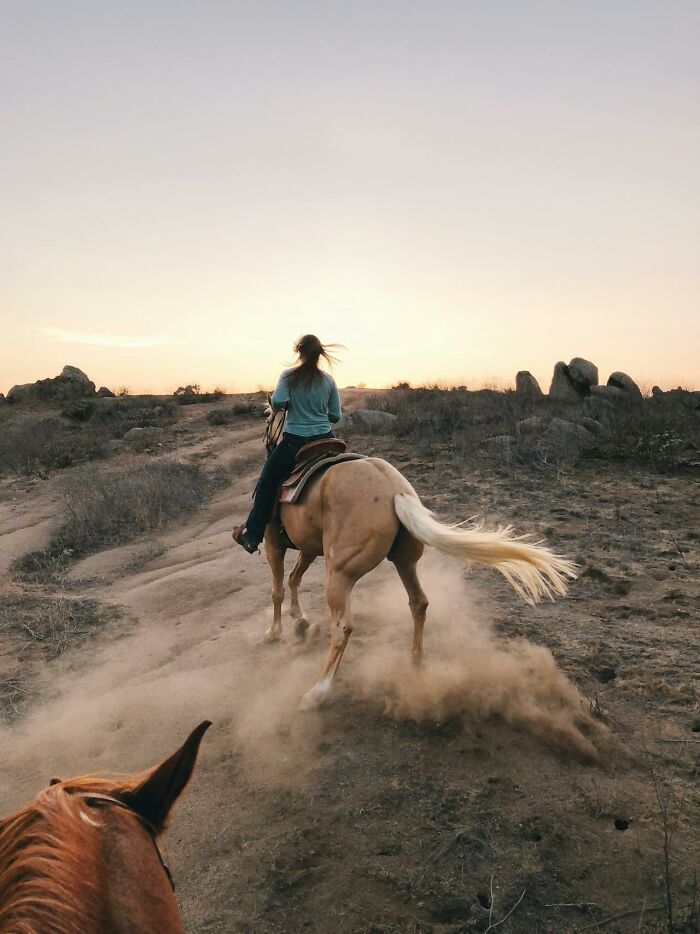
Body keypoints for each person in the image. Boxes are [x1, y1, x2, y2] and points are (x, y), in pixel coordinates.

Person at [232, 335, 342, 554]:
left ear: (298, 352)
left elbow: (278, 403)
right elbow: (336, 416)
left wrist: (294, 402)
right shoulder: (328, 380)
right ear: (319, 354)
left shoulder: (288, 376)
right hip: (327, 441)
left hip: (296, 443)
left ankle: (252, 535)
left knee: (266, 483)